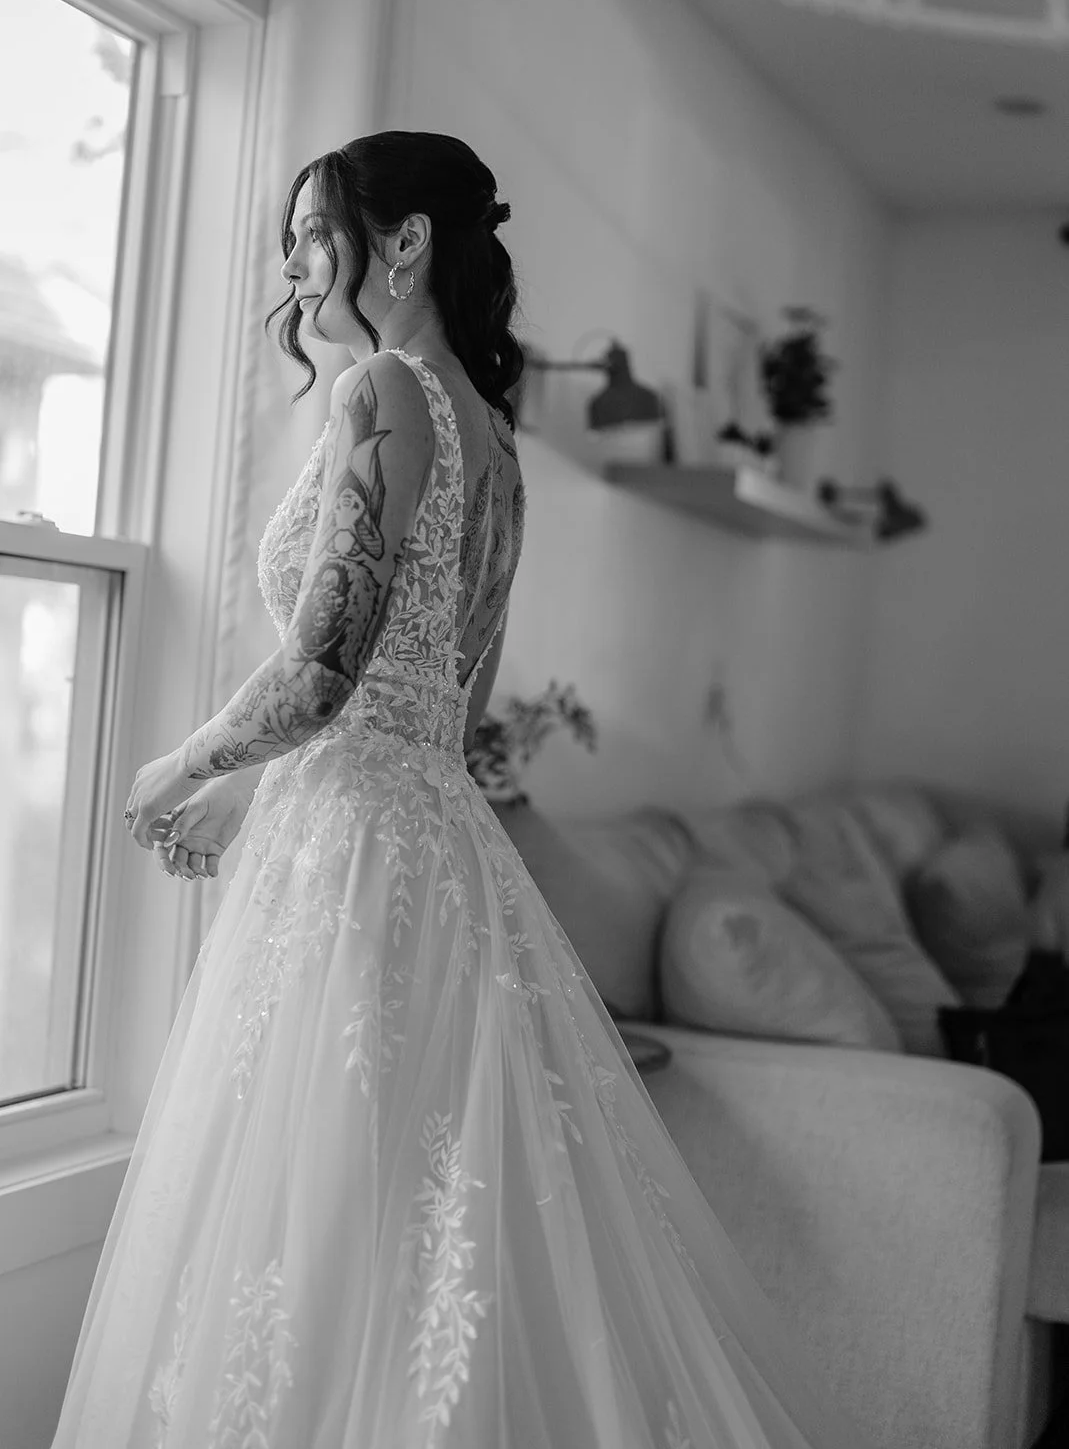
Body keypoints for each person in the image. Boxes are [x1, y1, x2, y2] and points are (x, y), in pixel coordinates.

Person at [51, 131, 879, 1447]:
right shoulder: (494, 443)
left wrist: (181, 764)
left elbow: (324, 677)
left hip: (356, 866)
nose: (295, 270)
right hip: (436, 853)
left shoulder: (380, 390)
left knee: (327, 1223)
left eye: (313, 235)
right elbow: (440, 714)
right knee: (409, 1226)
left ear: (407, 241)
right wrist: (255, 798)